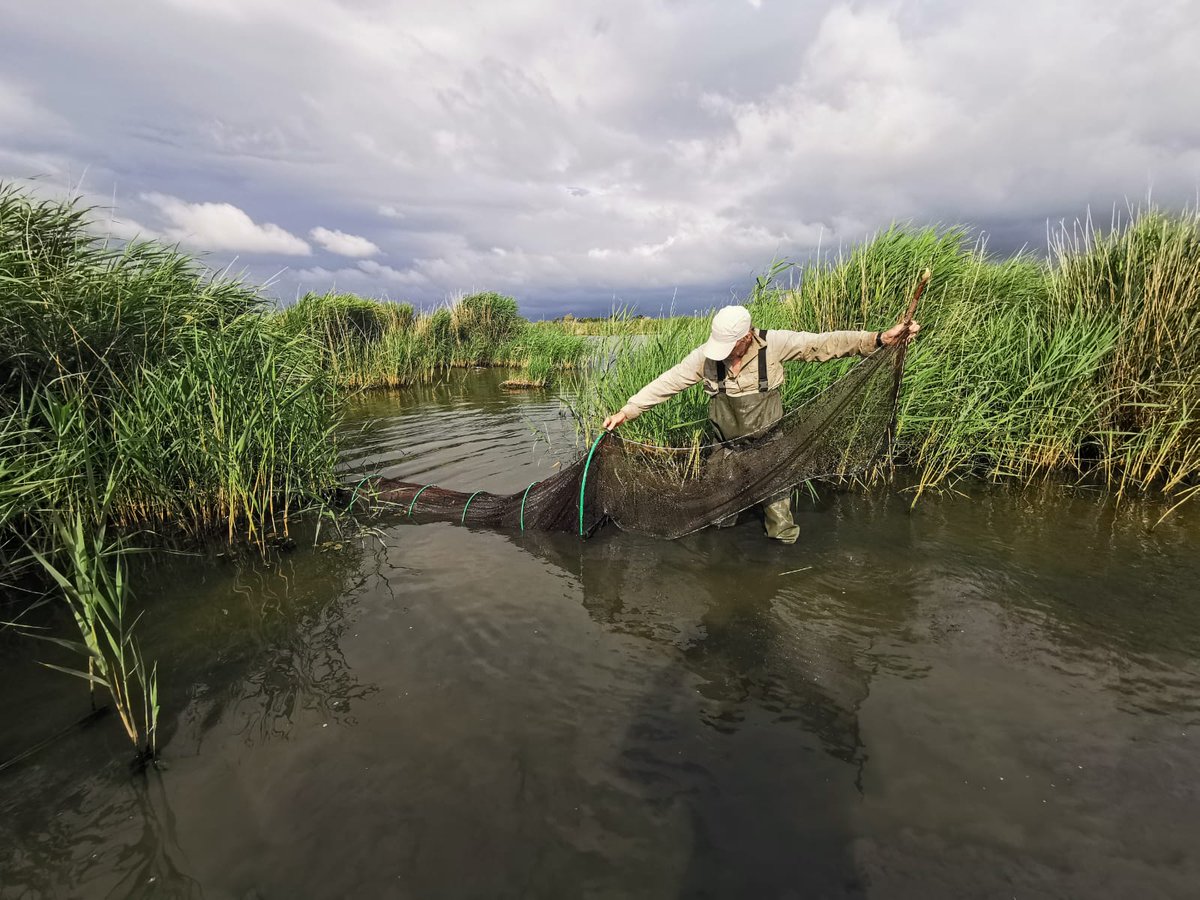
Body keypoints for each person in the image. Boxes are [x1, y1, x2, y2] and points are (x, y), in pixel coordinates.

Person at [602, 305, 920, 544]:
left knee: (780, 527)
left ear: (746, 336)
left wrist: (878, 339)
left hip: (770, 450)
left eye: (729, 345)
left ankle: (776, 576)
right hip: (725, 453)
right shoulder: (704, 358)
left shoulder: (775, 344)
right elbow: (667, 382)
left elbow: (825, 344)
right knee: (719, 522)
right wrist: (628, 411)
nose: (723, 353)